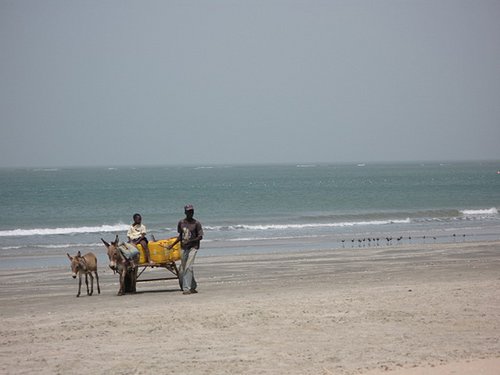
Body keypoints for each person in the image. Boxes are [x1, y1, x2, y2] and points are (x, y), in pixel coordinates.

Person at [168, 204, 203, 295]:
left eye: (191, 211)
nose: (190, 213)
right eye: (188, 212)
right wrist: (172, 245)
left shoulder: (196, 223)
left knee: (189, 267)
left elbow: (200, 237)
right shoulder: (181, 223)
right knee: (184, 267)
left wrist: (191, 241)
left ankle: (186, 288)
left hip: (193, 247)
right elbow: (180, 236)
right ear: (185, 212)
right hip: (183, 248)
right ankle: (193, 285)